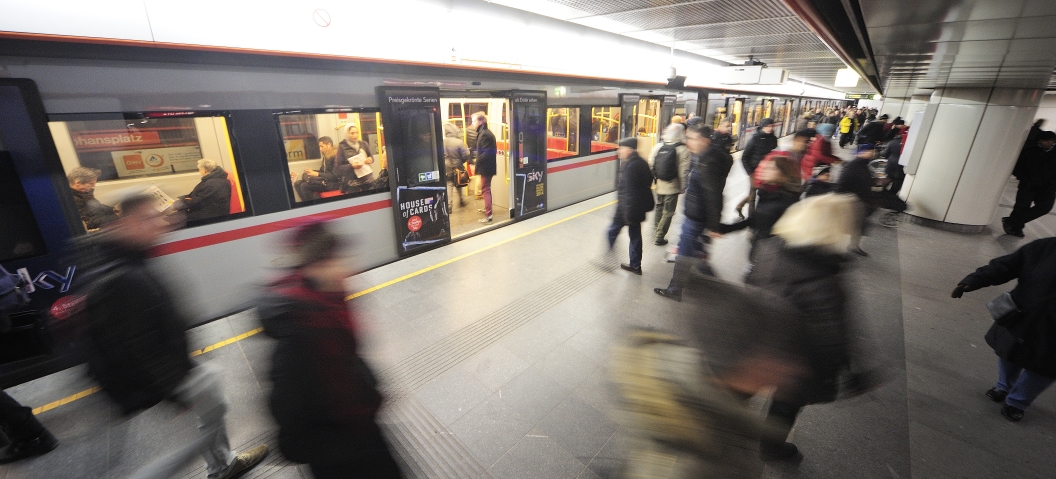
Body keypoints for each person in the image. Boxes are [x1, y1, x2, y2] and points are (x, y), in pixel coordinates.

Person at [78, 194, 268, 479]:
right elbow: (139, 345)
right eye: (149, 218)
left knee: (212, 396)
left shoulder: (128, 260)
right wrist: (175, 393)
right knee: (195, 426)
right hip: (161, 378)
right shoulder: (125, 276)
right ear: (126, 223)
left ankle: (222, 465)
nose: (160, 223)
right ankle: (220, 466)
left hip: (173, 366)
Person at [258, 221, 402, 478]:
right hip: (338, 452)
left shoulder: (331, 305)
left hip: (358, 430)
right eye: (335, 260)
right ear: (314, 266)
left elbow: (348, 357)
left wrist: (369, 386)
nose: (345, 268)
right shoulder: (299, 330)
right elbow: (287, 411)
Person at [746, 193, 885, 461]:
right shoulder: (825, 277)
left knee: (745, 385)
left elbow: (750, 286)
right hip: (796, 359)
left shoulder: (769, 248)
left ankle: (722, 424)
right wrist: (854, 372)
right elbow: (832, 333)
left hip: (758, 340)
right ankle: (771, 448)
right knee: (785, 405)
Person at [951, 237, 1056, 422]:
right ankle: (1004, 386)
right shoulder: (1046, 247)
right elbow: (1007, 265)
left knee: (1044, 369)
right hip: (1022, 316)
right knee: (1009, 354)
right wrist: (975, 280)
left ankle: (1017, 402)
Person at [655, 125, 731, 301]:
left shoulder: (707, 163)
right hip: (699, 215)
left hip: (696, 217)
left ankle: (675, 289)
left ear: (704, 141)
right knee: (696, 250)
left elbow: (712, 194)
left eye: (692, 138)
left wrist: (713, 225)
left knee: (684, 252)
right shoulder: (710, 157)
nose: (687, 142)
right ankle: (712, 281)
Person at [721, 155, 801, 259]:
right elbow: (754, 220)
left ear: (783, 174)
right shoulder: (765, 192)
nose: (764, 170)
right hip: (759, 251)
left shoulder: (789, 200)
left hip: (773, 258)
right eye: (766, 167)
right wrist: (724, 228)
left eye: (772, 168)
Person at [607, 137, 655, 275]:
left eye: (621, 148)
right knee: (635, 236)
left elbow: (629, 192)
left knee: (612, 232)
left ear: (629, 149)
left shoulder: (631, 166)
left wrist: (627, 213)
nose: (618, 151)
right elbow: (648, 181)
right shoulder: (640, 162)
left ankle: (609, 259)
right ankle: (635, 265)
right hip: (634, 208)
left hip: (627, 209)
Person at [1004, 131, 1056, 237]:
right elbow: (1018, 168)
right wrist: (1025, 178)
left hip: (1047, 188)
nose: (1049, 143)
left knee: (1045, 207)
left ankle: (1012, 221)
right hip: (1028, 185)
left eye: (1052, 141)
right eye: (1047, 141)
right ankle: (1016, 228)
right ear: (1040, 141)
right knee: (1022, 206)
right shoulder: (1029, 151)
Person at [649, 124, 691, 246]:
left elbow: (651, 163)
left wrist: (656, 177)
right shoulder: (682, 149)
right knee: (668, 211)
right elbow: (683, 171)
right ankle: (660, 236)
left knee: (659, 206)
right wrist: (683, 186)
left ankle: (657, 227)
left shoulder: (658, 146)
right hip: (673, 185)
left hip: (659, 183)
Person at [836, 145, 877, 256]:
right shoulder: (852, 166)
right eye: (868, 151)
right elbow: (842, 183)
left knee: (858, 226)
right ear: (860, 152)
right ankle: (837, 247)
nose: (872, 154)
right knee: (847, 225)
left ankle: (853, 246)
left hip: (861, 200)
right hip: (853, 201)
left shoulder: (863, 165)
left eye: (872, 151)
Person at [292, 136, 341, 202]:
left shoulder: (336, 156)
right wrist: (312, 172)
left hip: (334, 184)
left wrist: (317, 174)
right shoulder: (326, 155)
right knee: (297, 183)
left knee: (305, 186)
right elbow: (322, 171)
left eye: (322, 146)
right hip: (326, 180)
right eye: (319, 147)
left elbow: (335, 176)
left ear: (329, 145)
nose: (320, 149)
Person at [472, 113, 498, 223]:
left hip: (486, 167)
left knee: (485, 190)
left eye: (474, 121)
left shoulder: (484, 134)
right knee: (486, 189)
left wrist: (477, 161)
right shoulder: (485, 133)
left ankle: (488, 215)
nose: (472, 123)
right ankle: (487, 209)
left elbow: (487, 152)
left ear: (480, 121)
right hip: (488, 166)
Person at [336, 125, 376, 195]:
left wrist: (370, 160)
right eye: (352, 133)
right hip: (352, 181)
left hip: (367, 179)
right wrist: (351, 166)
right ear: (347, 134)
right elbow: (338, 167)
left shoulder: (364, 144)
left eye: (357, 132)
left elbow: (371, 158)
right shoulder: (342, 147)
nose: (355, 135)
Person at [442, 122, 471, 208]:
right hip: (458, 165)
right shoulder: (459, 142)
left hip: (446, 166)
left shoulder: (442, 142)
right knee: (459, 182)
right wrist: (461, 162)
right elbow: (465, 155)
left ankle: (449, 205)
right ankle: (461, 200)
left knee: (449, 184)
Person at [881, 118, 907, 194]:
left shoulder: (893, 142)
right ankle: (891, 196)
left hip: (891, 165)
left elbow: (885, 153)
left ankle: (882, 194)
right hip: (901, 167)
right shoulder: (909, 145)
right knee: (897, 184)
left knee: (887, 180)